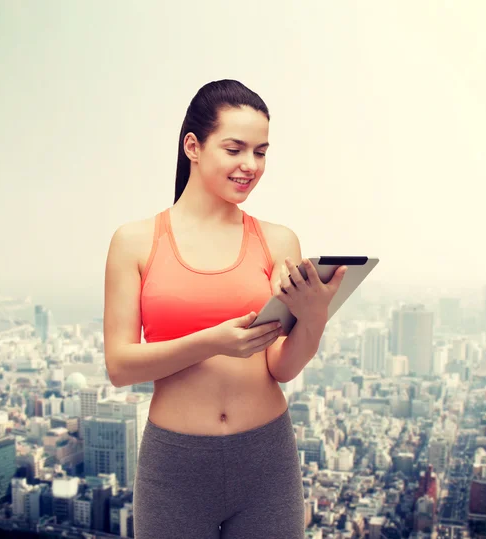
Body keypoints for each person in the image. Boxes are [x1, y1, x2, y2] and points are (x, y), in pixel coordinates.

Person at [103, 79, 347, 539]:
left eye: (260, 152)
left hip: (266, 459)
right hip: (174, 468)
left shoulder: (278, 240)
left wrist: (314, 316)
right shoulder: (134, 241)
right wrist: (213, 341)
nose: (249, 165)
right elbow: (119, 365)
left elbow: (281, 366)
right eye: (235, 149)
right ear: (192, 146)